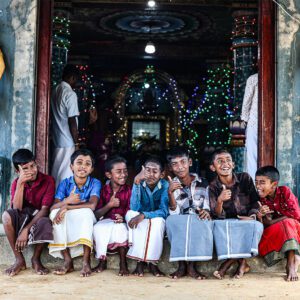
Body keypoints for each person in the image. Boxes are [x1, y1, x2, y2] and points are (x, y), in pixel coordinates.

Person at [209, 149, 263, 279]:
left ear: (233, 164)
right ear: (213, 167)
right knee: (220, 227)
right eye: (220, 161)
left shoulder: (245, 178)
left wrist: (251, 217)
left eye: (228, 161)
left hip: (248, 220)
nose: (225, 164)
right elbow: (216, 214)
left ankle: (227, 264)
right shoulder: (213, 186)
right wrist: (220, 201)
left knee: (254, 226)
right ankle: (242, 263)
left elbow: (256, 202)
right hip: (227, 223)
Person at [2, 149, 55, 276]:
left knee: (45, 222)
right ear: (18, 171)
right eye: (25, 168)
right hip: (23, 215)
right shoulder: (16, 183)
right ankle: (19, 259)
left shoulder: (48, 180)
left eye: (33, 166)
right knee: (6, 216)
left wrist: (26, 229)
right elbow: (17, 209)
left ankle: (35, 258)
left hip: (39, 216)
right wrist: (20, 183)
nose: (31, 171)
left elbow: (44, 210)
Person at [49, 149, 101, 277]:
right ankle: (67, 261)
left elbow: (92, 205)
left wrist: (67, 206)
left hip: (83, 215)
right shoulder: (65, 183)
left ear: (92, 169)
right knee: (55, 213)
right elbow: (53, 207)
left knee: (87, 214)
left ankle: (86, 261)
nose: (83, 166)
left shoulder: (95, 183)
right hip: (68, 214)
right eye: (79, 162)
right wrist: (67, 201)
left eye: (88, 164)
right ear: (71, 166)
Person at [166, 146, 212, 280]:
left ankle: (192, 266)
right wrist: (170, 193)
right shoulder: (169, 186)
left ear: (190, 162)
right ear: (170, 167)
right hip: (181, 221)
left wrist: (206, 211)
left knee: (198, 221)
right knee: (172, 221)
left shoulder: (203, 182)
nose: (180, 167)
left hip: (198, 219)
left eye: (183, 162)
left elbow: (208, 205)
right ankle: (181, 266)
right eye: (175, 164)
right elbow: (174, 213)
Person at [125, 156, 169, 277]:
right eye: (147, 170)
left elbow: (164, 211)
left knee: (157, 222)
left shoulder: (165, 185)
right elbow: (134, 207)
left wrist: (144, 215)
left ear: (162, 174)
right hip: (140, 219)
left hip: (155, 218)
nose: (150, 174)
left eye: (155, 171)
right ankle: (140, 262)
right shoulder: (139, 182)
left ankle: (152, 263)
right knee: (131, 214)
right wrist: (136, 182)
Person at [255, 166, 300, 281]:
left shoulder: (284, 191)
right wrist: (262, 216)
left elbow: (296, 215)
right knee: (285, 223)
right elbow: (265, 224)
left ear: (274, 184)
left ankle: (290, 265)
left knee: (288, 223)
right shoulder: (261, 200)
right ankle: (294, 258)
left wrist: (272, 221)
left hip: (295, 230)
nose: (258, 186)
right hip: (277, 234)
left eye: (262, 183)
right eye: (256, 182)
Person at [93, 156, 131, 276]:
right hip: (106, 220)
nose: (123, 174)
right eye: (118, 172)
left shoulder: (130, 190)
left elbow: (132, 209)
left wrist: (124, 217)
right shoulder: (103, 190)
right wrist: (109, 205)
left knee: (119, 229)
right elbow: (97, 213)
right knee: (98, 228)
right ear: (109, 175)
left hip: (123, 221)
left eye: (125, 171)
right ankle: (102, 260)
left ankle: (123, 263)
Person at [51, 64, 80, 186]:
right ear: (72, 77)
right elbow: (72, 120)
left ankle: (56, 199)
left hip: (57, 138)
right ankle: (63, 200)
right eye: (76, 80)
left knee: (57, 171)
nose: (76, 83)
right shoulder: (70, 94)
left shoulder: (55, 90)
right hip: (68, 140)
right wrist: (76, 142)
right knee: (67, 173)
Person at [241, 73, 258, 180]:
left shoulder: (253, 78)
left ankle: (255, 186)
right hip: (256, 122)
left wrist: (245, 120)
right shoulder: (254, 78)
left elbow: (246, 103)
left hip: (254, 122)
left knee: (252, 157)